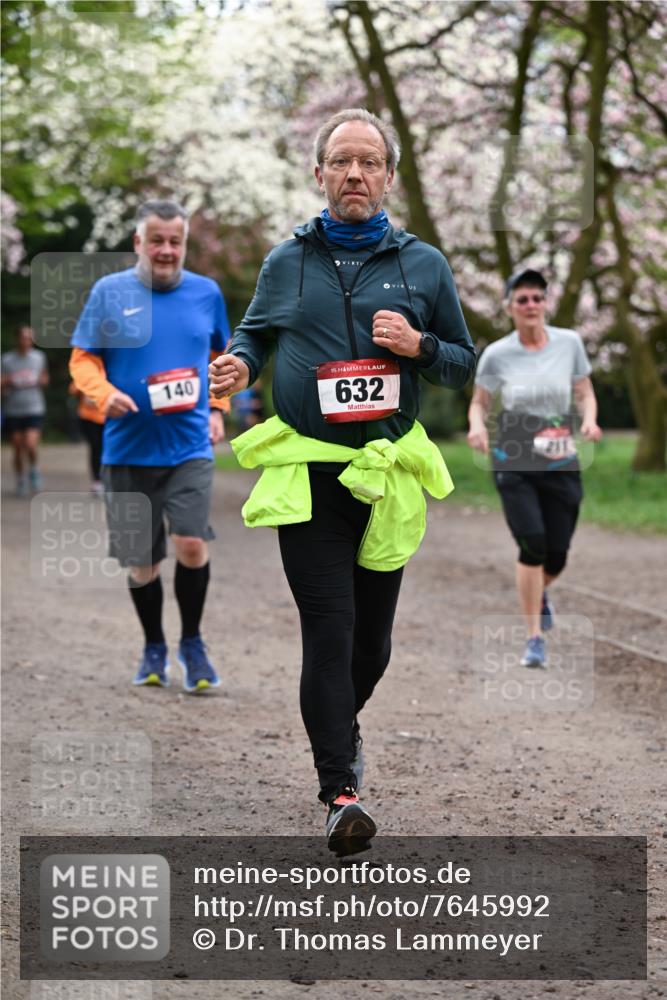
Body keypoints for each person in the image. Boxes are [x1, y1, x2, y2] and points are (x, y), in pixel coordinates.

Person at [209, 108, 475, 855]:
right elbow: (256, 334)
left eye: (367, 163)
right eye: (340, 161)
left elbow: (462, 358)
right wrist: (239, 363)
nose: (353, 174)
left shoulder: (423, 265)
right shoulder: (284, 261)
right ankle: (340, 792)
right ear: (318, 173)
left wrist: (419, 345)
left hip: (385, 476)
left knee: (374, 646)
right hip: (313, 474)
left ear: (388, 176)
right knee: (329, 629)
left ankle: (336, 727)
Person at [69, 200, 231, 692]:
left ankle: (194, 644)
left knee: (191, 543)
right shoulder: (108, 293)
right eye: (156, 240)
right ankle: (153, 645)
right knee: (143, 563)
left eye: (175, 242)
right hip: (125, 448)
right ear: (138, 243)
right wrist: (103, 394)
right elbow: (82, 360)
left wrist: (219, 410)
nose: (166, 250)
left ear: (184, 244)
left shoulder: (207, 293)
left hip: (188, 447)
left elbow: (223, 359)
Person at [467, 268, 602, 668]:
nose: (531, 305)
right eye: (522, 299)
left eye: (537, 298)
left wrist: (590, 419)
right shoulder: (497, 353)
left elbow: (584, 392)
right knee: (532, 544)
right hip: (513, 451)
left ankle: (539, 591)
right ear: (509, 306)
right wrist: (476, 427)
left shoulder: (569, 343)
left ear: (546, 304)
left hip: (560, 453)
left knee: (557, 555)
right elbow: (479, 402)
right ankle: (534, 637)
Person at [1, 326, 49, 495]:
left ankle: (34, 469)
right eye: (24, 338)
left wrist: (42, 380)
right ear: (18, 339)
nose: (27, 341)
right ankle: (20, 477)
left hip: (34, 407)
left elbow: (45, 378)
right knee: (17, 447)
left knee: (30, 444)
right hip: (13, 409)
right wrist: (8, 381)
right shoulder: (7, 360)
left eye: (30, 338)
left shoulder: (39, 357)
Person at [68, 382, 105, 495]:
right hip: (88, 417)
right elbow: (73, 390)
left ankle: (107, 479)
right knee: (95, 447)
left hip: (108, 416)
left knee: (106, 448)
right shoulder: (87, 369)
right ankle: (97, 480)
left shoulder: (111, 370)